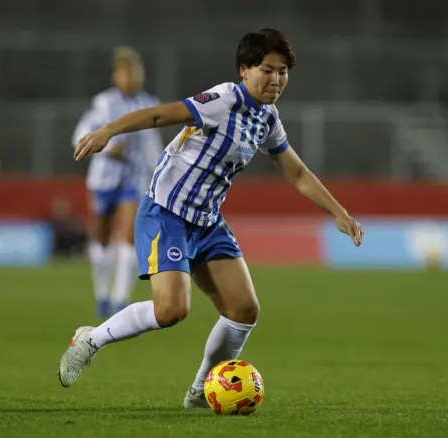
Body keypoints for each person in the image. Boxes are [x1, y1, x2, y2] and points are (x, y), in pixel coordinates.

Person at [58, 29, 364, 408]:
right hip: (166, 212)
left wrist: (339, 212)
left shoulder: (267, 119)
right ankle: (90, 339)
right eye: (267, 69)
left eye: (283, 71)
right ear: (244, 69)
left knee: (244, 310)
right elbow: (158, 114)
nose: (276, 79)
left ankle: (202, 390)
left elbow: (297, 173)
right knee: (171, 311)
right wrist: (108, 130)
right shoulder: (222, 100)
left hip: (206, 220)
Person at [72, 46, 163, 319]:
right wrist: (110, 149)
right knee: (101, 240)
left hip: (134, 179)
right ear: (116, 76)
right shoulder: (104, 103)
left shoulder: (149, 104)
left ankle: (119, 299)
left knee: (128, 236)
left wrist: (159, 174)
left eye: (135, 72)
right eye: (125, 72)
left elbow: (153, 146)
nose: (131, 78)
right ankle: (101, 293)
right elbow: (80, 134)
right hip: (103, 178)